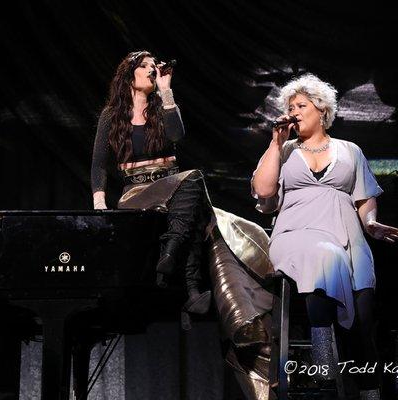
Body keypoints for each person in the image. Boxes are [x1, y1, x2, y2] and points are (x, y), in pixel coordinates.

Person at [92, 51, 276, 398]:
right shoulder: (111, 115)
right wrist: (100, 204)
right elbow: (99, 165)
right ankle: (184, 275)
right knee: (195, 187)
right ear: (128, 74)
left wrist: (166, 90)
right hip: (135, 192)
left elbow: (177, 136)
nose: (151, 70)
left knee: (191, 195)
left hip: (173, 188)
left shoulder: (163, 107)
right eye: (144, 66)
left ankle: (183, 274)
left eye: (153, 66)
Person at [251, 73, 398, 399]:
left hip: (349, 236)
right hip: (296, 234)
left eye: (301, 105)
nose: (294, 110)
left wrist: (371, 222)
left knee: (361, 323)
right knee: (323, 255)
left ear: (321, 109)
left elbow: (365, 199)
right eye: (291, 106)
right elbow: (263, 191)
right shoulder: (285, 151)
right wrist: (275, 143)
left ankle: (369, 392)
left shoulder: (350, 151)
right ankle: (323, 367)